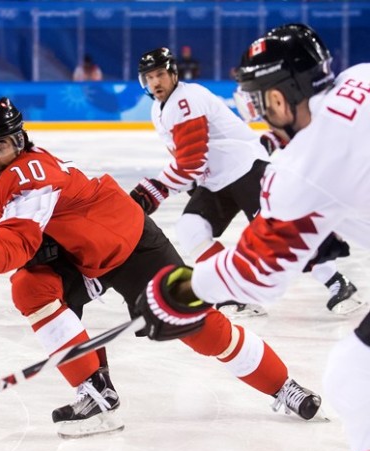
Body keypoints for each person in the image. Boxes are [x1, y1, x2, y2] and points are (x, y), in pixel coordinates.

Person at [0, 96, 321, 439]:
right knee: (29, 287)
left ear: (20, 142)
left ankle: (282, 385)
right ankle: (95, 393)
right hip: (74, 256)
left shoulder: (32, 174)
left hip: (129, 244)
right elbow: (7, 235)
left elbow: (18, 235)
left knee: (198, 324)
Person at [136, 23, 370, 451]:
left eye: (259, 99)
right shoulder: (360, 76)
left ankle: (334, 281)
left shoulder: (303, 169)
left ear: (280, 99)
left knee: (352, 379)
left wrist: (179, 290)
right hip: (221, 181)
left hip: (239, 174)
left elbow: (257, 272)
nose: (258, 111)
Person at [131, 47, 362, 316]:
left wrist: (154, 191)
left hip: (245, 169)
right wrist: (187, 182)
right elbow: (192, 160)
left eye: (160, 74)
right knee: (190, 227)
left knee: (281, 234)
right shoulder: (160, 109)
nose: (155, 82)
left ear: (172, 73)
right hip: (217, 180)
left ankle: (338, 283)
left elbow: (191, 159)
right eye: (149, 77)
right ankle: (232, 294)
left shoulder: (187, 99)